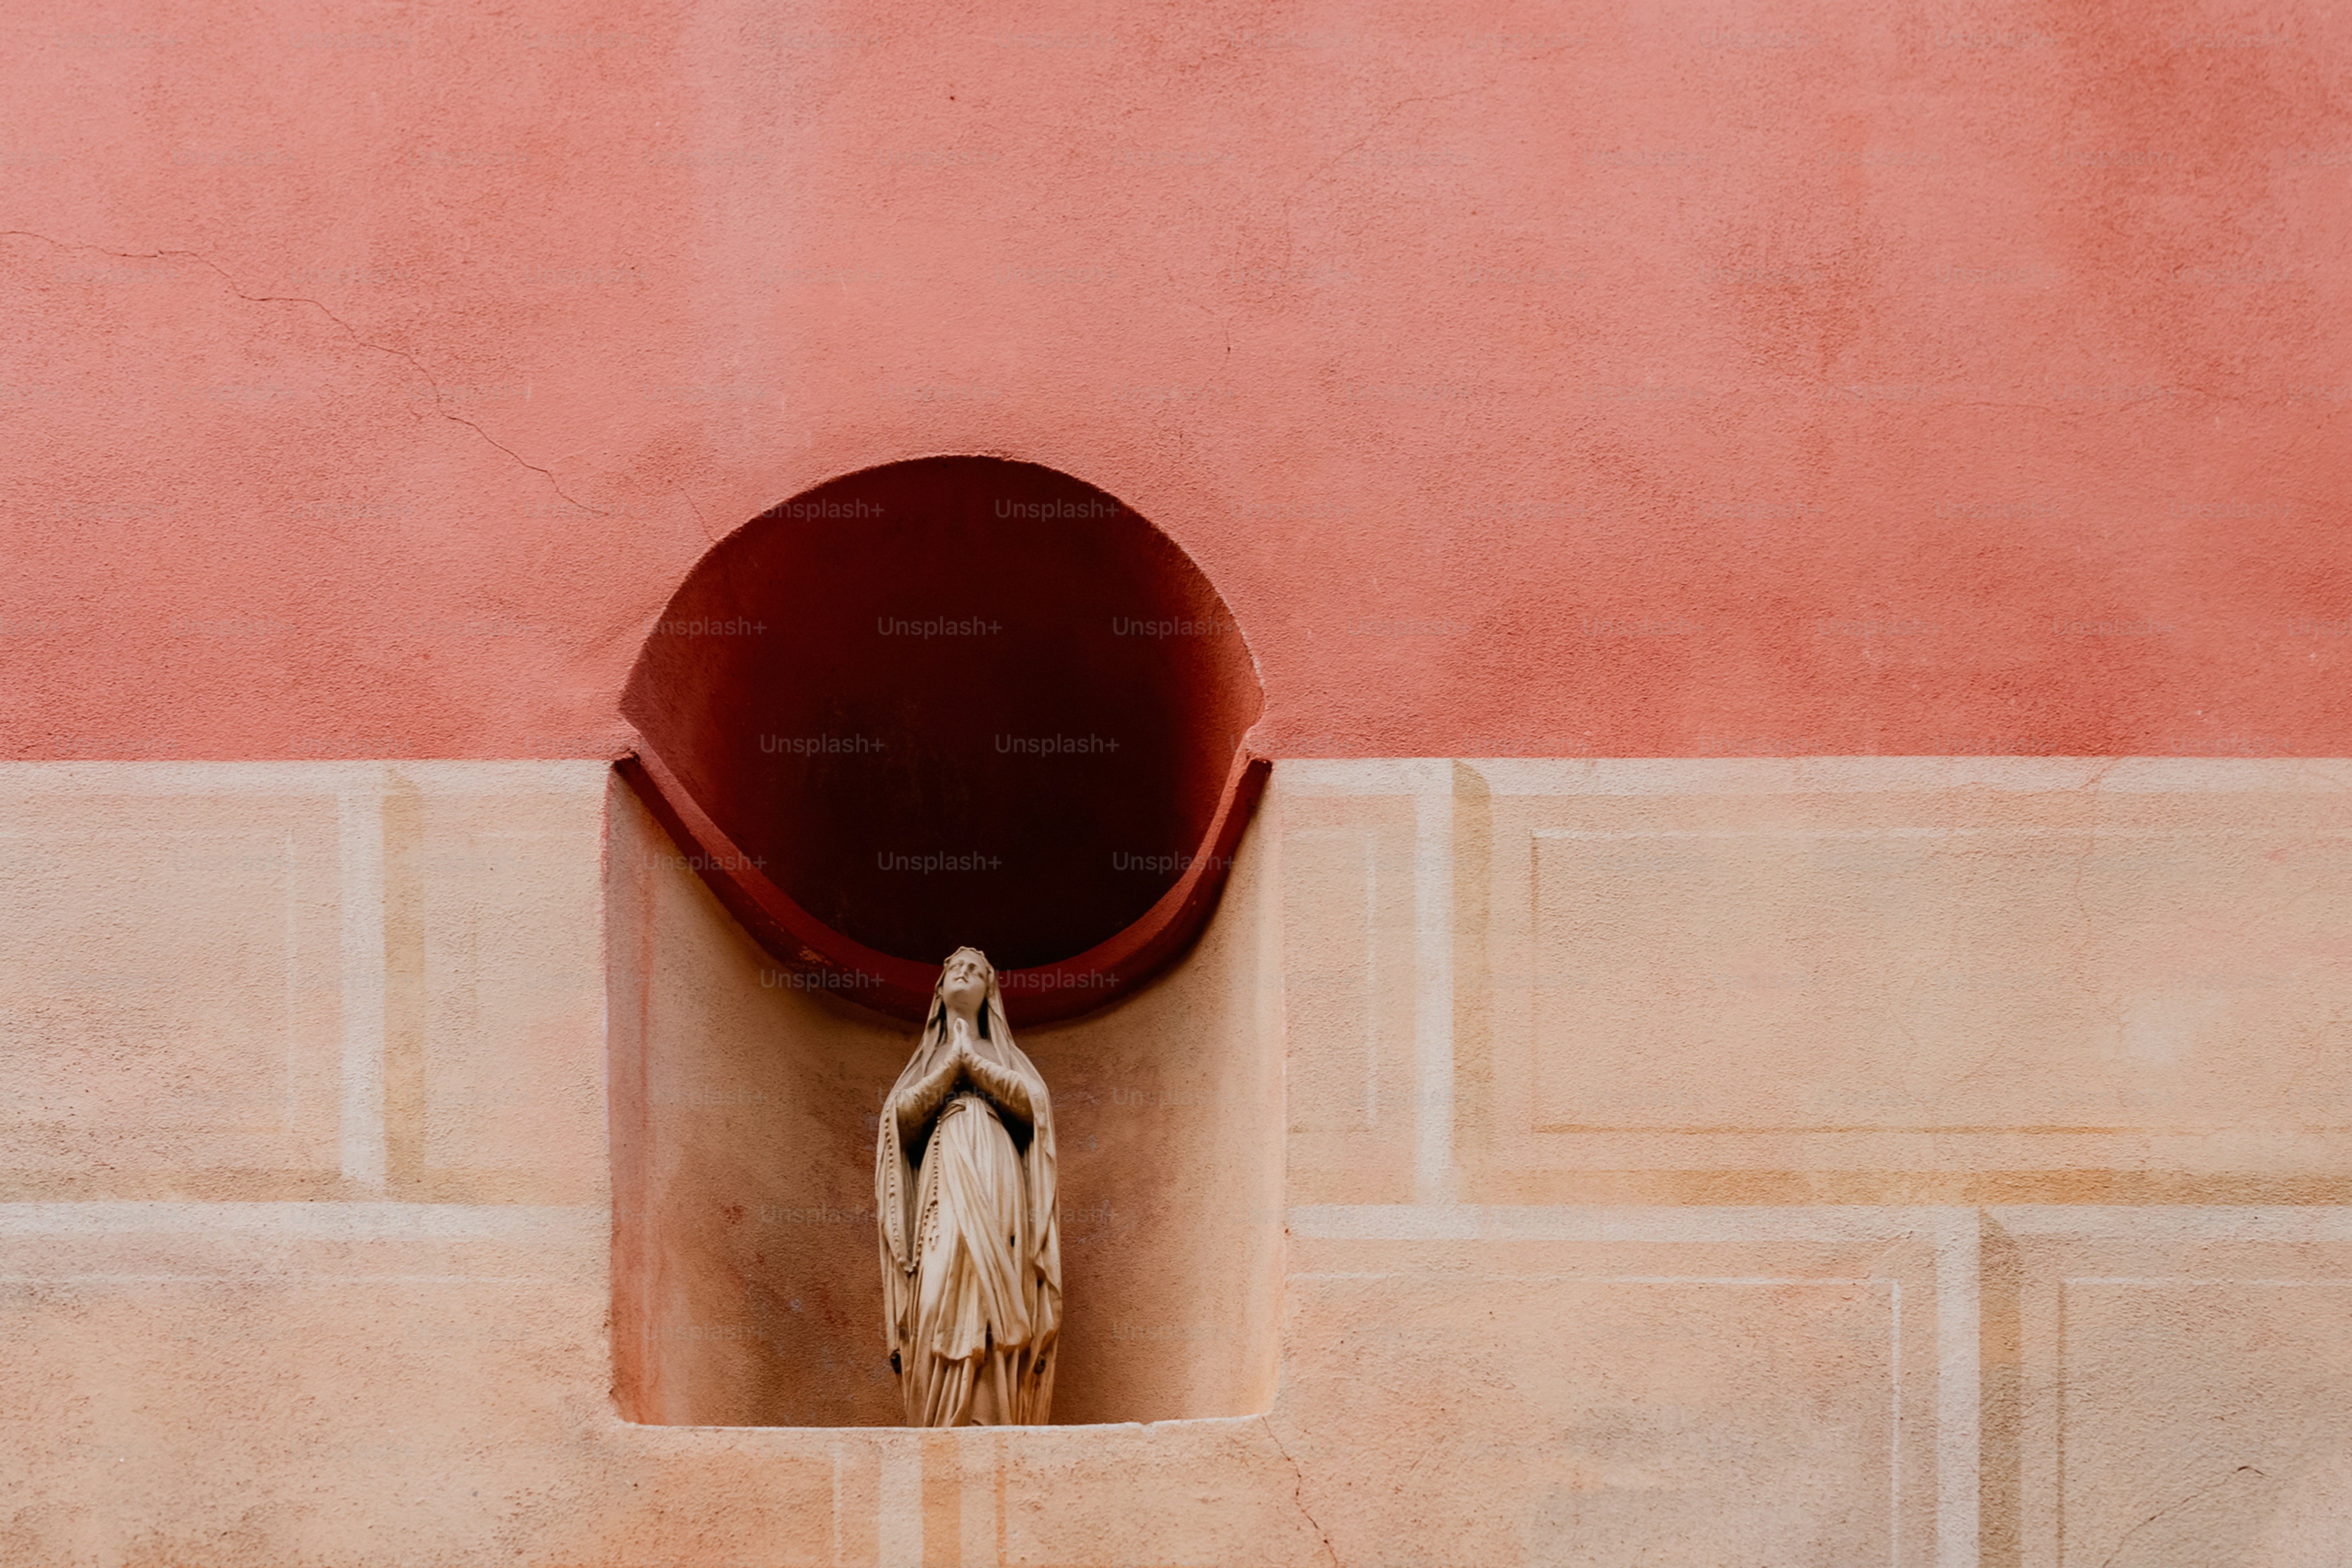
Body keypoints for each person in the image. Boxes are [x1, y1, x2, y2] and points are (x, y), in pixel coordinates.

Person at [875, 947, 1060, 1425]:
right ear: (939, 990)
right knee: (938, 1284)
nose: (964, 973)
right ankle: (937, 1418)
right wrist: (949, 1068)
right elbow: (901, 1123)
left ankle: (996, 1412)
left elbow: (1033, 1108)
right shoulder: (926, 1060)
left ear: (990, 991)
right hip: (944, 1170)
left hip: (996, 1169)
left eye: (976, 970)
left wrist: (972, 1065)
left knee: (994, 1280)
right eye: (954, 969)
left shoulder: (1004, 1055)